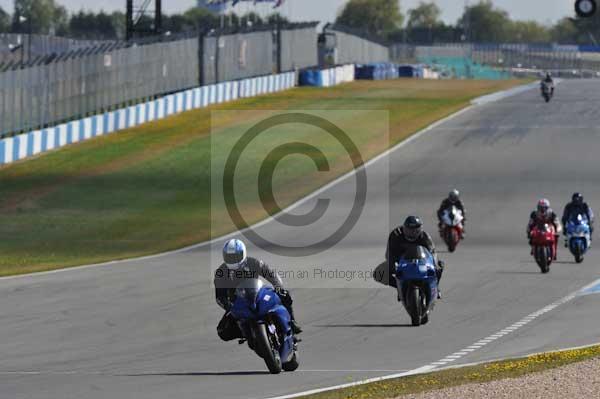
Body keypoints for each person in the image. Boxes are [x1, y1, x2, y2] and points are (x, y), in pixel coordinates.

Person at [214, 239, 302, 342]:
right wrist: (229, 307)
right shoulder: (221, 272)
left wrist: (278, 287)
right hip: (238, 302)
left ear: (243, 253)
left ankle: (292, 322)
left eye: (235, 256)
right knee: (222, 331)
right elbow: (219, 296)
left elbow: (271, 274)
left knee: (285, 295)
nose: (232, 259)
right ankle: (246, 332)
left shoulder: (253, 262)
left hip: (258, 293)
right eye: (229, 257)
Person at [376, 216, 445, 299]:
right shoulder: (395, 235)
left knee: (439, 266)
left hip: (421, 261)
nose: (412, 233)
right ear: (404, 228)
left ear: (420, 229)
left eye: (416, 230)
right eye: (409, 230)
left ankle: (435, 287)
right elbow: (389, 253)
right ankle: (400, 287)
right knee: (378, 274)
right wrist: (393, 264)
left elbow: (433, 251)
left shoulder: (425, 237)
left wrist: (434, 263)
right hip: (401, 262)